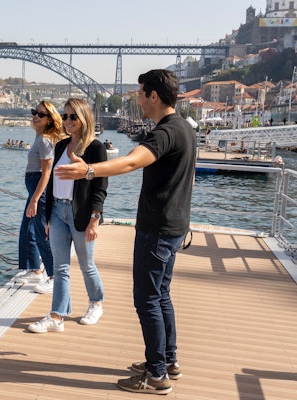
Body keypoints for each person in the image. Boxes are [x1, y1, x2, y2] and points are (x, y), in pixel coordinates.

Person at [54, 69, 196, 395]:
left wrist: (89, 170)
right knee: (161, 296)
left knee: (147, 301)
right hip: (174, 227)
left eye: (141, 94)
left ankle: (156, 376)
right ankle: (167, 361)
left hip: (157, 230)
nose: (139, 100)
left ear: (154, 96)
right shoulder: (185, 129)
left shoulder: (164, 132)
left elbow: (132, 162)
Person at [27, 98, 107, 333]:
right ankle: (57, 316)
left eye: (73, 116)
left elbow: (101, 187)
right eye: (65, 116)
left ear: (84, 118)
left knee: (86, 264)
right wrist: (49, 217)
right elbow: (52, 182)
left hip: (81, 213)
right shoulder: (61, 145)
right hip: (58, 212)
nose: (68, 121)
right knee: (60, 267)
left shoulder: (95, 148)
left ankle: (96, 303)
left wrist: (95, 219)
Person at [15, 101, 64, 294]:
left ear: (50, 119)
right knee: (28, 230)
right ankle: (35, 270)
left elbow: (46, 173)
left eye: (41, 114)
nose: (36, 116)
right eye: (34, 112)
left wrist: (35, 199)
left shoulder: (45, 140)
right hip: (34, 187)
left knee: (42, 232)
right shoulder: (39, 137)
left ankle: (54, 276)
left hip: (39, 188)